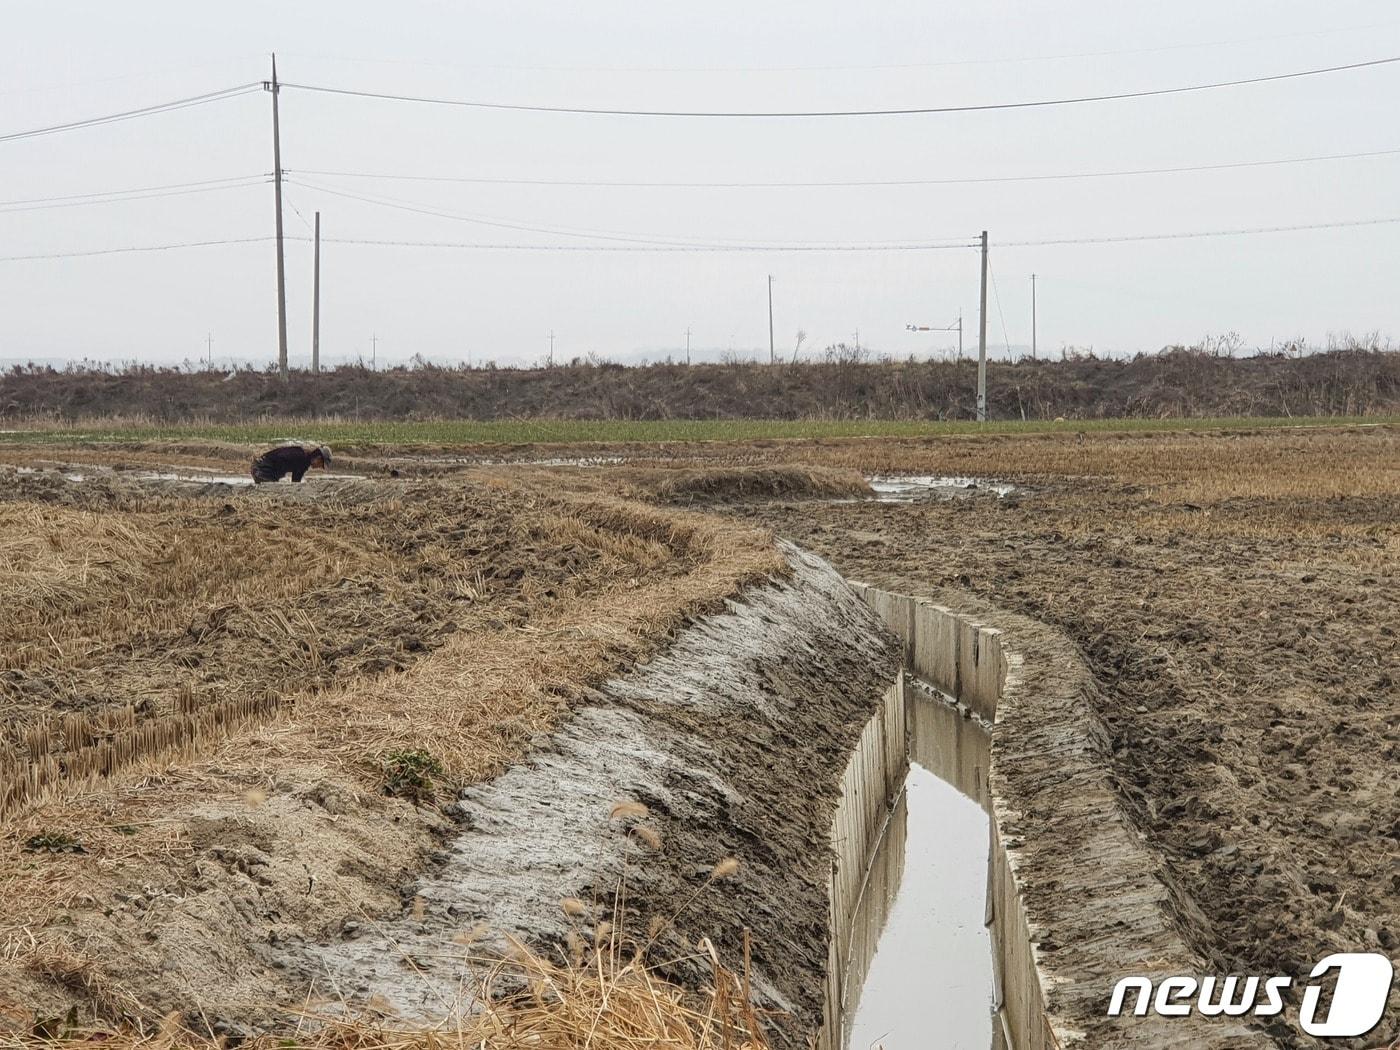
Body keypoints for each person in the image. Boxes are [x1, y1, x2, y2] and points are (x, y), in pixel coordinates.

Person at [250, 444, 332, 484]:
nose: (320, 467)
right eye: (321, 464)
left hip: (261, 469)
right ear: (318, 458)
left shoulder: (304, 463)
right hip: (261, 468)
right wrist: (280, 476)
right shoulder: (300, 455)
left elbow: (295, 482)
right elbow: (280, 458)